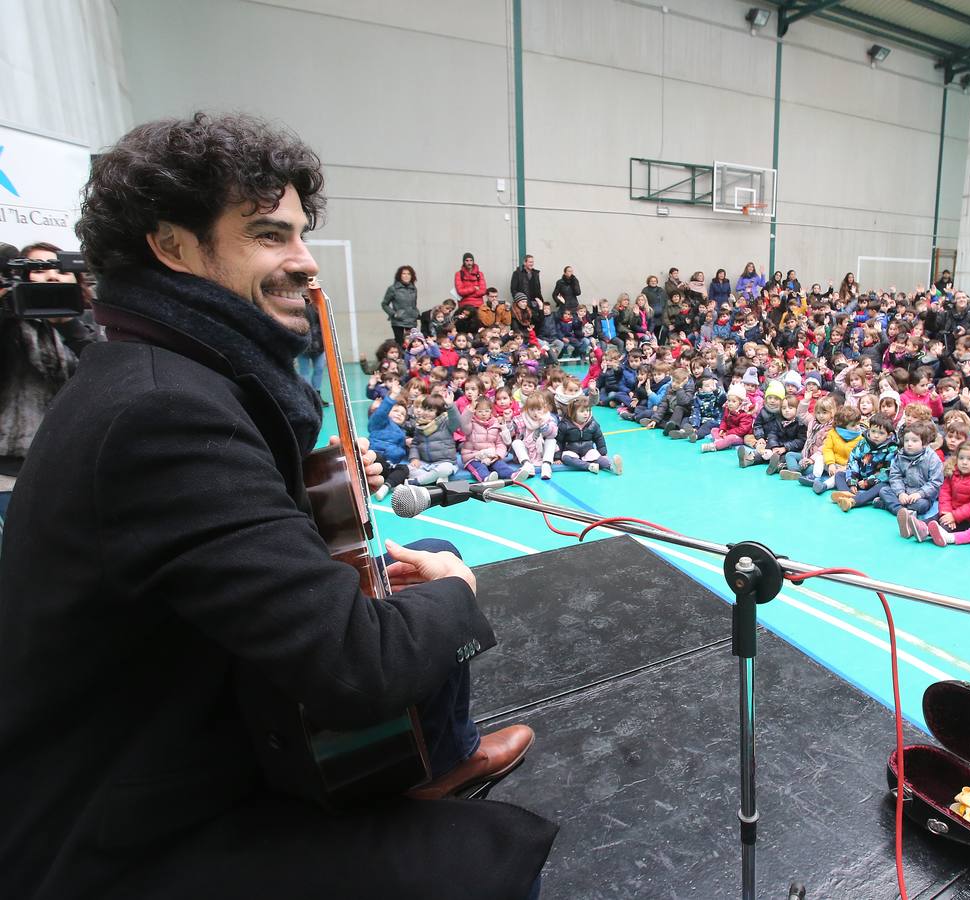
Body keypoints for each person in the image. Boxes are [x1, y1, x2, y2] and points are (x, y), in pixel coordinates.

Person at [0, 113, 554, 899]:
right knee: (482, 867)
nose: (304, 262)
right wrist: (463, 600)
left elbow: (204, 535)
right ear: (174, 246)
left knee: (414, 569)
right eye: (268, 235)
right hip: (122, 830)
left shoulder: (149, 371)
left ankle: (435, 759)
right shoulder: (163, 413)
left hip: (175, 736)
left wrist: (305, 476)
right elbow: (358, 667)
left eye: (300, 233)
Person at [0, 242, 101, 467]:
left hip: (79, 459)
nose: (52, 277)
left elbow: (110, 374)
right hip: (12, 464)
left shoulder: (97, 321)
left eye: (61, 270)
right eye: (39, 270)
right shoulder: (10, 324)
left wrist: (69, 326)